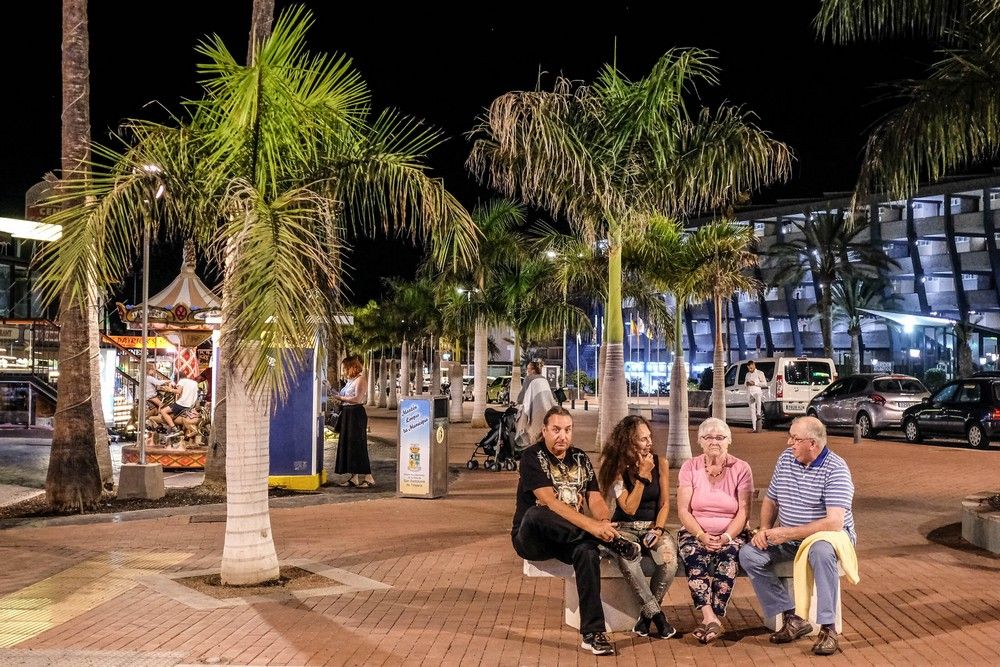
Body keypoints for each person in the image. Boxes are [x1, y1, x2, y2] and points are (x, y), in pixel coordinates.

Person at [512, 406, 640, 656]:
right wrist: (593, 527)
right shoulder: (531, 457)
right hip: (532, 538)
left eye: (568, 430)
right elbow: (550, 501)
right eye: (556, 430)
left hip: (570, 537)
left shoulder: (580, 458)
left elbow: (595, 499)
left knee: (587, 552)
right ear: (544, 430)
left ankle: (592, 633)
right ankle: (611, 542)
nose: (563, 436)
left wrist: (603, 522)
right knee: (537, 513)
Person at [739, 416, 857, 656]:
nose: (788, 442)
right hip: (789, 538)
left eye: (794, 438)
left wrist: (787, 533)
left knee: (821, 551)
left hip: (828, 537)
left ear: (812, 443)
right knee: (749, 553)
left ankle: (828, 628)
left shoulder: (836, 469)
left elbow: (834, 522)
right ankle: (793, 617)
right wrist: (764, 529)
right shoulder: (786, 459)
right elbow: (771, 499)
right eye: (790, 437)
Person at [597, 415, 678, 639]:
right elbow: (629, 508)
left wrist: (658, 530)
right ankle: (659, 618)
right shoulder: (616, 468)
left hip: (653, 527)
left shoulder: (660, 462)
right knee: (628, 556)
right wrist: (642, 476)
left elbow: (664, 504)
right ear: (628, 442)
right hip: (624, 528)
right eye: (643, 439)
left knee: (670, 560)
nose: (649, 442)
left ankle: (646, 617)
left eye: (649, 437)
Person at [676, 417, 754, 644]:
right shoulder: (690, 467)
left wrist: (727, 536)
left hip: (732, 531)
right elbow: (683, 510)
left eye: (720, 437)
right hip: (695, 531)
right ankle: (710, 617)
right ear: (700, 441)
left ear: (728, 441)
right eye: (708, 437)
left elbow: (744, 512)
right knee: (694, 558)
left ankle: (714, 619)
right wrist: (701, 535)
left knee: (729, 558)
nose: (714, 442)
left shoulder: (741, 468)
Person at [333, 355, 375, 488]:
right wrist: (332, 391)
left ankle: (368, 477)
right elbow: (345, 396)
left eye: (344, 368)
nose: (343, 371)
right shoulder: (350, 381)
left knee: (358, 444)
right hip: (347, 414)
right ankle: (354, 477)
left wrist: (340, 398)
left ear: (351, 367)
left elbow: (357, 398)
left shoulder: (360, 380)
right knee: (349, 445)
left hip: (356, 414)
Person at [514, 360, 556, 449]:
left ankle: (523, 445)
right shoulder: (544, 379)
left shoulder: (528, 379)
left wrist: (517, 401)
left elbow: (522, 396)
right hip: (547, 409)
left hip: (536, 410)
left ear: (533, 370)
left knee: (523, 422)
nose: (527, 370)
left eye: (528, 369)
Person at [162, 369, 201, 444]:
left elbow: (178, 391)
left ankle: (174, 429)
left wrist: (169, 389)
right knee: (172, 416)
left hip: (182, 404)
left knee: (163, 411)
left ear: (178, 378)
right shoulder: (194, 383)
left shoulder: (181, 381)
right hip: (190, 405)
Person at [143, 361, 180, 436]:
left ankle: (159, 420)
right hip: (151, 396)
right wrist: (169, 381)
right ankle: (161, 418)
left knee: (163, 400)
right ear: (148, 370)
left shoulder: (146, 377)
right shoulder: (149, 378)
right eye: (152, 370)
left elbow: (157, 386)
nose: (154, 371)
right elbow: (158, 383)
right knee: (162, 405)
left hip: (151, 394)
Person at [744, 360, 767, 432]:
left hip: (757, 392)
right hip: (749, 393)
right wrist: (747, 384)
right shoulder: (747, 374)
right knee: (752, 411)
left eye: (751, 368)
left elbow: (764, 384)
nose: (750, 369)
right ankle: (754, 428)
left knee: (758, 404)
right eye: (749, 368)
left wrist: (755, 383)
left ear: (754, 365)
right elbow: (744, 384)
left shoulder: (760, 373)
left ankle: (759, 414)